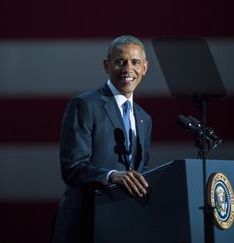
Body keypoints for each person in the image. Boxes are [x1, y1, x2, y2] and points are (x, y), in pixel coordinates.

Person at [51, 35, 152, 243]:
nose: (128, 69)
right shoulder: (85, 105)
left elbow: (138, 172)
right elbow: (72, 168)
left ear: (145, 67)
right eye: (120, 62)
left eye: (135, 62)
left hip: (122, 225)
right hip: (85, 225)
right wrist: (112, 175)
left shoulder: (144, 119)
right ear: (106, 66)